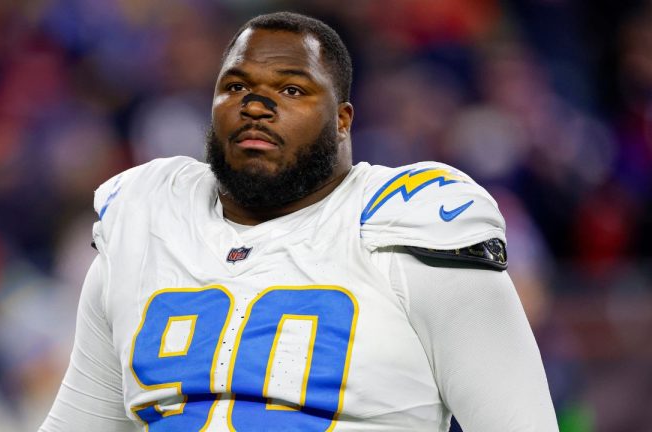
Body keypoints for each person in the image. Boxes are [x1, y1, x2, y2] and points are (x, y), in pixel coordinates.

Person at [39, 12, 558, 432]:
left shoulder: (408, 224)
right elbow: (80, 421)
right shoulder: (146, 221)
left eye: (291, 90)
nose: (256, 106)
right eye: (236, 86)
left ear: (342, 120)